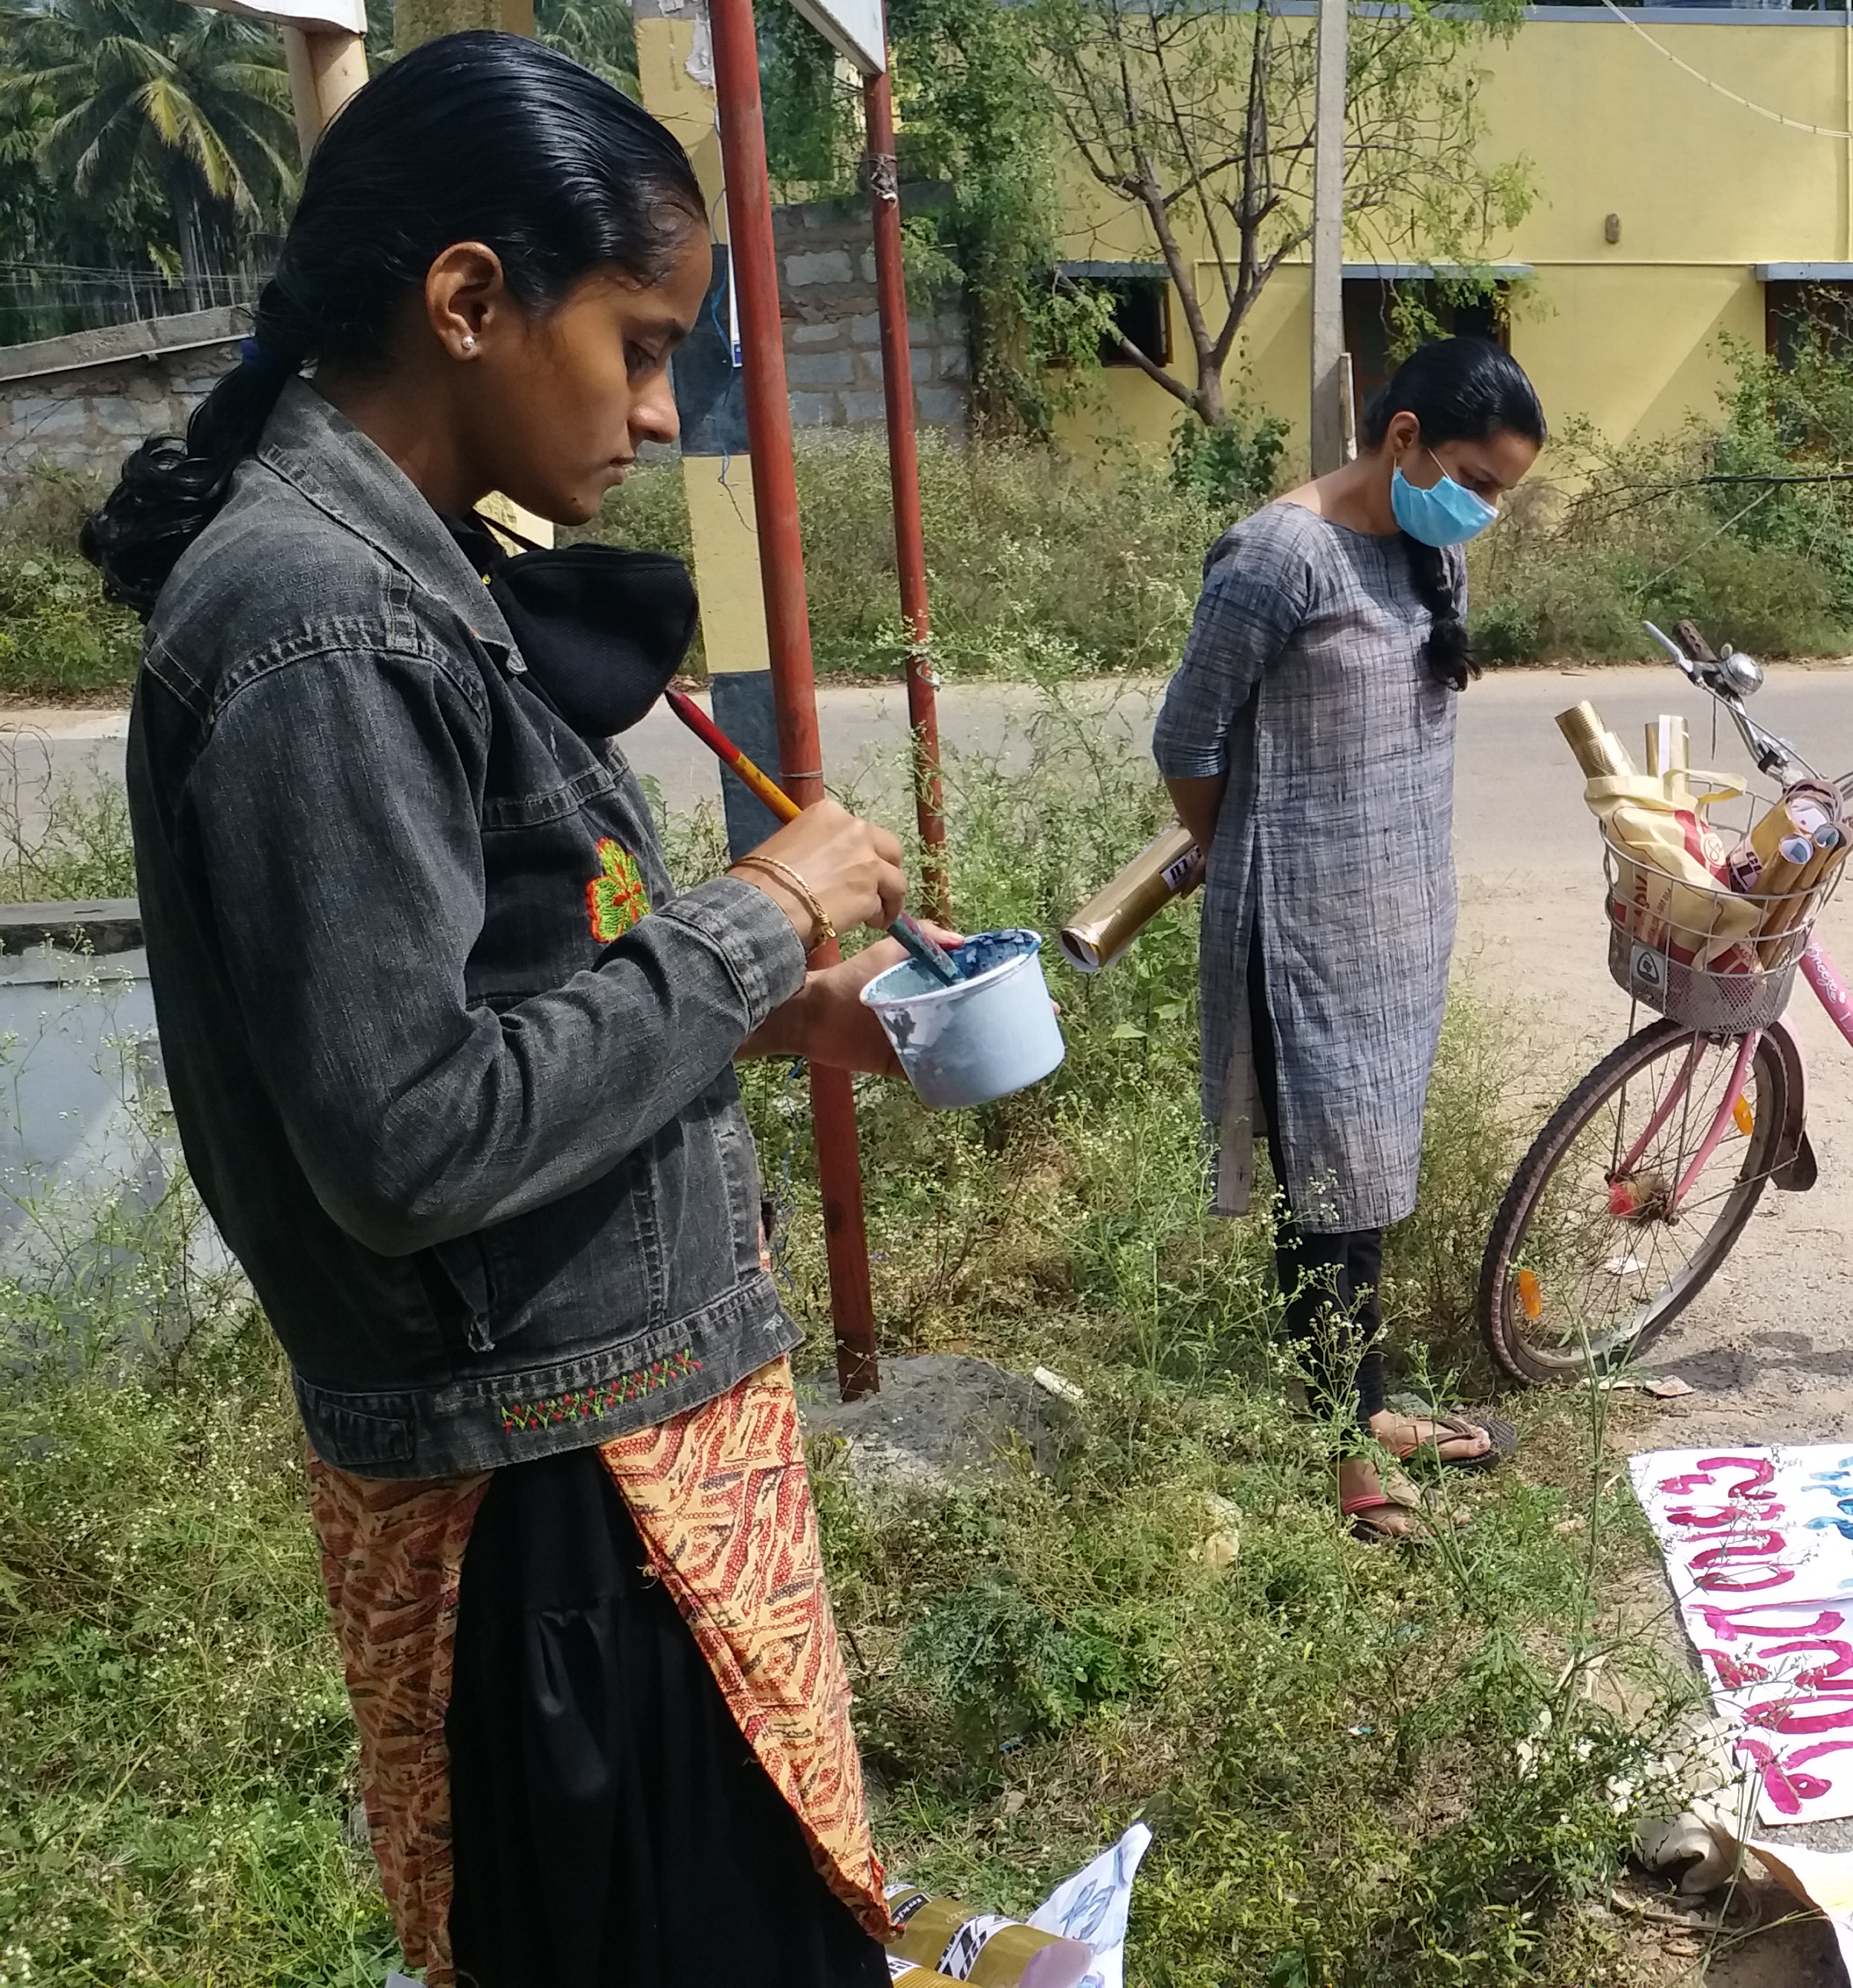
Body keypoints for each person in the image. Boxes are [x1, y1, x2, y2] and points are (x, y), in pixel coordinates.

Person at [87, 35, 930, 1986]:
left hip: (602, 1452)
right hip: (556, 1508)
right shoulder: (320, 629)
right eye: (636, 345)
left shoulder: (403, 579)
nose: (653, 409)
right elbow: (409, 1138)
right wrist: (745, 921)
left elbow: (506, 998)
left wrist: (752, 1010)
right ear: (468, 300)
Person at [1154, 337, 1545, 1539]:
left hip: (1397, 924)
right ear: (1403, 435)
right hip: (1301, 928)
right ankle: (1349, 1464)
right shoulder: (1281, 556)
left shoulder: (1427, 549)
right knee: (1322, 1202)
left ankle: (1366, 1406)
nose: (1483, 508)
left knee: (1361, 1193)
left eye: (1502, 493)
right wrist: (1235, 849)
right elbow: (1188, 740)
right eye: (1474, 477)